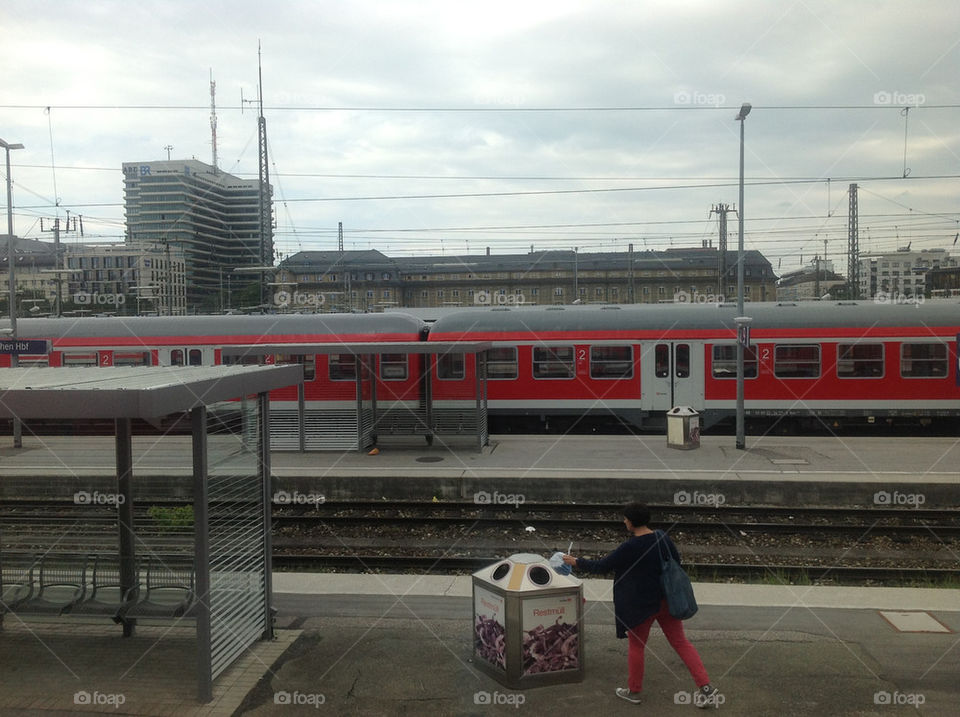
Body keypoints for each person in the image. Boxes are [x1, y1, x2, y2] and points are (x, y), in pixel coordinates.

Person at [563, 502, 721, 707]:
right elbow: (675, 561)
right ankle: (706, 688)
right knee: (681, 642)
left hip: (642, 606)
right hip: (667, 601)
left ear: (630, 522)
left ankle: (634, 691)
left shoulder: (631, 546)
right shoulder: (662, 537)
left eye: (625, 519)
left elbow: (601, 567)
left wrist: (573, 561)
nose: (624, 522)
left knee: (637, 646)